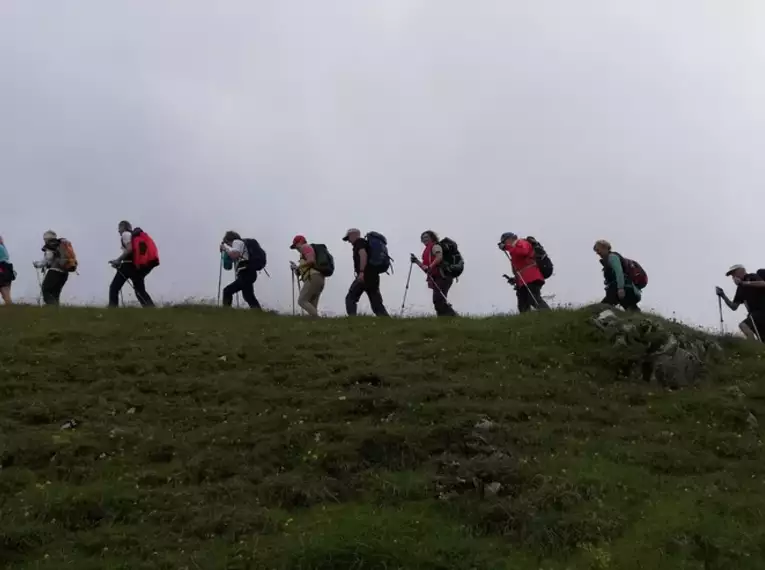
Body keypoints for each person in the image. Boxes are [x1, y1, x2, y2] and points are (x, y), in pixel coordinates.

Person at [342, 228, 390, 317]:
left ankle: (352, 320)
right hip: (373, 275)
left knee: (350, 298)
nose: (348, 241)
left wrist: (361, 272)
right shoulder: (365, 243)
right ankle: (386, 319)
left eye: (348, 238)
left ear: (353, 235)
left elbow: (363, 254)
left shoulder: (359, 242)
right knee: (376, 303)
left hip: (365, 275)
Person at [109, 221, 155, 308]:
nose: (118, 231)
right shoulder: (134, 236)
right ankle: (150, 308)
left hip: (128, 265)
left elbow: (129, 249)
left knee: (114, 287)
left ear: (123, 227)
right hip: (137, 266)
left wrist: (118, 260)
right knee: (140, 291)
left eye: (119, 228)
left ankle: (112, 309)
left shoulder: (125, 234)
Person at [500, 232, 550, 313]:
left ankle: (548, 314)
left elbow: (524, 252)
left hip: (533, 277)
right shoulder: (513, 250)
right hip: (523, 280)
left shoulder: (521, 242)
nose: (503, 244)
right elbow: (519, 268)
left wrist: (508, 247)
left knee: (533, 298)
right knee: (522, 304)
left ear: (510, 239)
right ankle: (526, 321)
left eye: (504, 242)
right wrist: (515, 279)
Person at [412, 230, 457, 317]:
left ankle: (451, 317)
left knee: (438, 299)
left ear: (432, 238)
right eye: (423, 238)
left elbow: (439, 257)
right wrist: (416, 261)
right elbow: (426, 269)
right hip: (437, 277)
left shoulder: (435, 246)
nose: (425, 239)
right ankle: (446, 318)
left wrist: (430, 266)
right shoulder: (427, 251)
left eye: (427, 237)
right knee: (438, 300)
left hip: (443, 276)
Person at [716, 264, 765, 342]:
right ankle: (758, 351)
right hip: (755, 315)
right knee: (762, 339)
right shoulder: (740, 288)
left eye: (734, 274)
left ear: (741, 271)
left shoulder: (751, 277)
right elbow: (734, 306)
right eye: (732, 276)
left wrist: (744, 283)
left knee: (743, 325)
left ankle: (752, 347)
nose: (733, 277)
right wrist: (723, 295)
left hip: (762, 310)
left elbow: (763, 283)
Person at [593, 240, 641, 312]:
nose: (597, 253)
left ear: (604, 248)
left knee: (603, 306)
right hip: (627, 289)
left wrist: (620, 288)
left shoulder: (612, 257)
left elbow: (619, 272)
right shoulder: (607, 260)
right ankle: (639, 319)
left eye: (598, 250)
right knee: (631, 308)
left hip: (621, 288)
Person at [219, 231, 263, 310]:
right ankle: (259, 313)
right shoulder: (241, 244)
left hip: (246, 273)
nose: (228, 245)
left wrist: (225, 248)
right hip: (249, 272)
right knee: (248, 296)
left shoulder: (237, 242)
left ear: (229, 239)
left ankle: (225, 312)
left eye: (227, 243)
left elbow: (235, 255)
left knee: (227, 291)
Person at [33, 230, 71, 305]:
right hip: (65, 273)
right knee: (55, 293)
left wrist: (37, 264)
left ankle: (52, 307)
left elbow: (48, 259)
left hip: (54, 272)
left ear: (47, 239)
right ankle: (56, 312)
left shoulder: (51, 245)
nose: (44, 241)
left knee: (45, 290)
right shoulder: (61, 245)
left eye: (44, 239)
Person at [290, 235, 324, 317]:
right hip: (319, 278)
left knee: (302, 301)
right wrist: (297, 270)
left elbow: (311, 260)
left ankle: (318, 319)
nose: (296, 249)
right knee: (312, 305)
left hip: (313, 277)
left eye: (296, 245)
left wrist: (297, 267)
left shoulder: (305, 247)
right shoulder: (305, 250)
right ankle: (317, 325)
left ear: (300, 242)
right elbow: (308, 265)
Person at [0, 235, 14, 305]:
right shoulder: (2, 247)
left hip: (2, 269)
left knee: (5, 294)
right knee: (6, 294)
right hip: (7, 269)